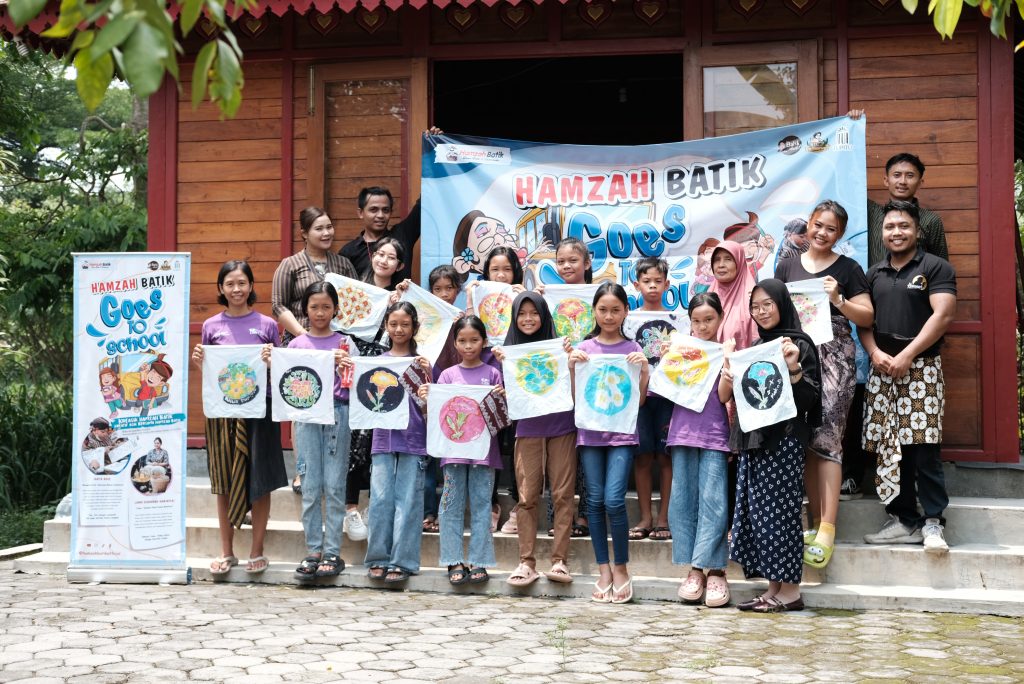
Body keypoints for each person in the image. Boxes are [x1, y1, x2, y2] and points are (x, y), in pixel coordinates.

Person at [775, 201, 874, 570]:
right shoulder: (786, 265)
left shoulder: (848, 268)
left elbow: (867, 315)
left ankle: (828, 528)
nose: (822, 233)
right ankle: (812, 523)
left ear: (840, 234)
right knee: (803, 438)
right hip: (795, 355)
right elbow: (772, 307)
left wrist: (839, 299)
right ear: (809, 225)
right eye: (818, 225)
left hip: (834, 356)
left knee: (829, 437)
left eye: (831, 229)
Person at [860, 200, 956, 553]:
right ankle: (902, 520)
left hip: (922, 370)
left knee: (924, 447)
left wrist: (907, 355)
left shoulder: (935, 267)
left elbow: (942, 316)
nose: (896, 232)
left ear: (917, 230)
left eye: (903, 226)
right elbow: (864, 324)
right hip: (883, 369)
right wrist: (875, 353)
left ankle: (933, 522)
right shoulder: (873, 274)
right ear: (881, 233)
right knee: (889, 447)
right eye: (889, 227)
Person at [727, 279, 821, 613]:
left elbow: (811, 399)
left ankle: (791, 591)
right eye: (755, 306)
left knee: (781, 515)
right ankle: (773, 588)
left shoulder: (800, 344)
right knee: (760, 516)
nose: (761, 312)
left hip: (784, 442)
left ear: (782, 303)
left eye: (768, 304)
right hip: (756, 441)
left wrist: (793, 366)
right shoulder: (756, 347)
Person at [192, 259, 286, 575]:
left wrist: (273, 360)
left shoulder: (267, 325)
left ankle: (256, 551)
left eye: (242, 283)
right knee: (223, 480)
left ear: (250, 286)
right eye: (230, 284)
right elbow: (210, 372)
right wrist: (199, 360)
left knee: (261, 480)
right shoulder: (211, 326)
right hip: (221, 413)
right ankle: (227, 551)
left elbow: (281, 369)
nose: (236, 289)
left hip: (261, 410)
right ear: (221, 288)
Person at [569, 283, 650, 604]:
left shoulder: (633, 349)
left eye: (616, 309)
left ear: (626, 312)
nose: (609, 316)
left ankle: (622, 568)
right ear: (594, 311)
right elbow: (575, 398)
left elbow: (640, 401)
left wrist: (643, 370)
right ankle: (603, 570)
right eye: (603, 309)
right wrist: (571, 366)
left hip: (623, 435)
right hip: (589, 434)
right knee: (595, 502)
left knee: (614, 500)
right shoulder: (584, 348)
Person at [271, 205, 359, 494]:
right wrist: (305, 337)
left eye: (329, 227)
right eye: (319, 228)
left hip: (336, 348)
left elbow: (355, 303)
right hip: (301, 348)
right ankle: (302, 471)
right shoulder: (290, 264)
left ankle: (331, 473)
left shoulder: (343, 264)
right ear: (304, 233)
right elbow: (278, 305)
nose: (326, 233)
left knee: (335, 408)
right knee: (303, 407)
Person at [274, 281, 356, 581]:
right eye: (314, 307)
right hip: (306, 418)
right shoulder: (295, 345)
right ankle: (313, 549)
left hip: (338, 413)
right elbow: (288, 382)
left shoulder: (345, 343)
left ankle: (333, 551)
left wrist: (345, 365)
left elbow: (352, 383)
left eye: (326, 307)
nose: (320, 313)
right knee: (310, 485)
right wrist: (274, 362)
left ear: (335, 309)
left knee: (334, 486)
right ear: (304, 310)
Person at [493, 292, 577, 586]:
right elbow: (505, 395)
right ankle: (526, 562)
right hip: (527, 429)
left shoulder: (561, 348)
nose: (528, 319)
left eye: (535, 313)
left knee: (563, 495)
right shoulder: (506, 353)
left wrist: (569, 359)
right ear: (514, 319)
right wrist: (504, 378)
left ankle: (559, 561)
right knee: (527, 497)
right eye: (522, 314)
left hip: (562, 426)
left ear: (545, 316)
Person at [421, 315, 504, 586]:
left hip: (483, 452)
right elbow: (437, 415)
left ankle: (480, 561)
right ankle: (453, 560)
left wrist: (500, 399)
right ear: (454, 342)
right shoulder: (446, 375)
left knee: (482, 505)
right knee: (450, 505)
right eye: (462, 341)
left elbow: (501, 419)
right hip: (453, 451)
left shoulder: (493, 374)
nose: (468, 346)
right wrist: (427, 398)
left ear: (484, 342)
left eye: (474, 340)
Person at [668, 293, 733, 608]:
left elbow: (723, 397)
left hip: (714, 434)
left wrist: (728, 365)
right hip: (681, 432)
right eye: (696, 320)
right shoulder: (681, 350)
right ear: (689, 322)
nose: (703, 325)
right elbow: (667, 389)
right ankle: (694, 569)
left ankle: (717, 569)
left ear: (720, 319)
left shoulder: (726, 351)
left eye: (709, 319)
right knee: (682, 502)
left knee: (714, 502)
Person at [364, 302, 433, 584]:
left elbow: (430, 408)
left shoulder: (423, 364)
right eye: (393, 324)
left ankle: (403, 561)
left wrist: (429, 386)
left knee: (409, 501)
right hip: (382, 438)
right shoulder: (376, 362)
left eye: (405, 324)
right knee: (380, 500)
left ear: (415, 328)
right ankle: (378, 558)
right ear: (385, 327)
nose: (399, 329)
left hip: (414, 438)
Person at [466, 245, 525, 532]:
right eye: (494, 270)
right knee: (484, 437)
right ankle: (488, 504)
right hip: (484, 374)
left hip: (516, 378)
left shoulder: (523, 298)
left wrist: (526, 297)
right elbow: (466, 331)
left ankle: (518, 505)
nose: (500, 276)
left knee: (517, 443)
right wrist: (471, 298)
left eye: (506, 269)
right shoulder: (478, 296)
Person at [629, 257, 674, 542]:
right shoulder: (628, 320)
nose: (653, 286)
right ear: (637, 285)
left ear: (668, 284)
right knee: (643, 456)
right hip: (639, 397)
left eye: (658, 281)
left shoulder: (679, 319)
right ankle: (645, 517)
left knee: (667, 457)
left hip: (670, 395)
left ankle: (664, 517)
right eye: (647, 281)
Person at [421, 264, 463, 534]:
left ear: (457, 291)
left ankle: (448, 511)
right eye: (438, 289)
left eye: (449, 288)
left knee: (451, 458)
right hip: (430, 393)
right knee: (428, 459)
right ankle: (427, 511)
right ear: (430, 292)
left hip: (458, 396)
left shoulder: (464, 320)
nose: (444, 294)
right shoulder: (425, 320)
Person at [708, 241, 759, 351]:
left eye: (728, 259)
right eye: (716, 259)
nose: (721, 265)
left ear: (739, 262)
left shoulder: (753, 299)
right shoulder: (707, 298)